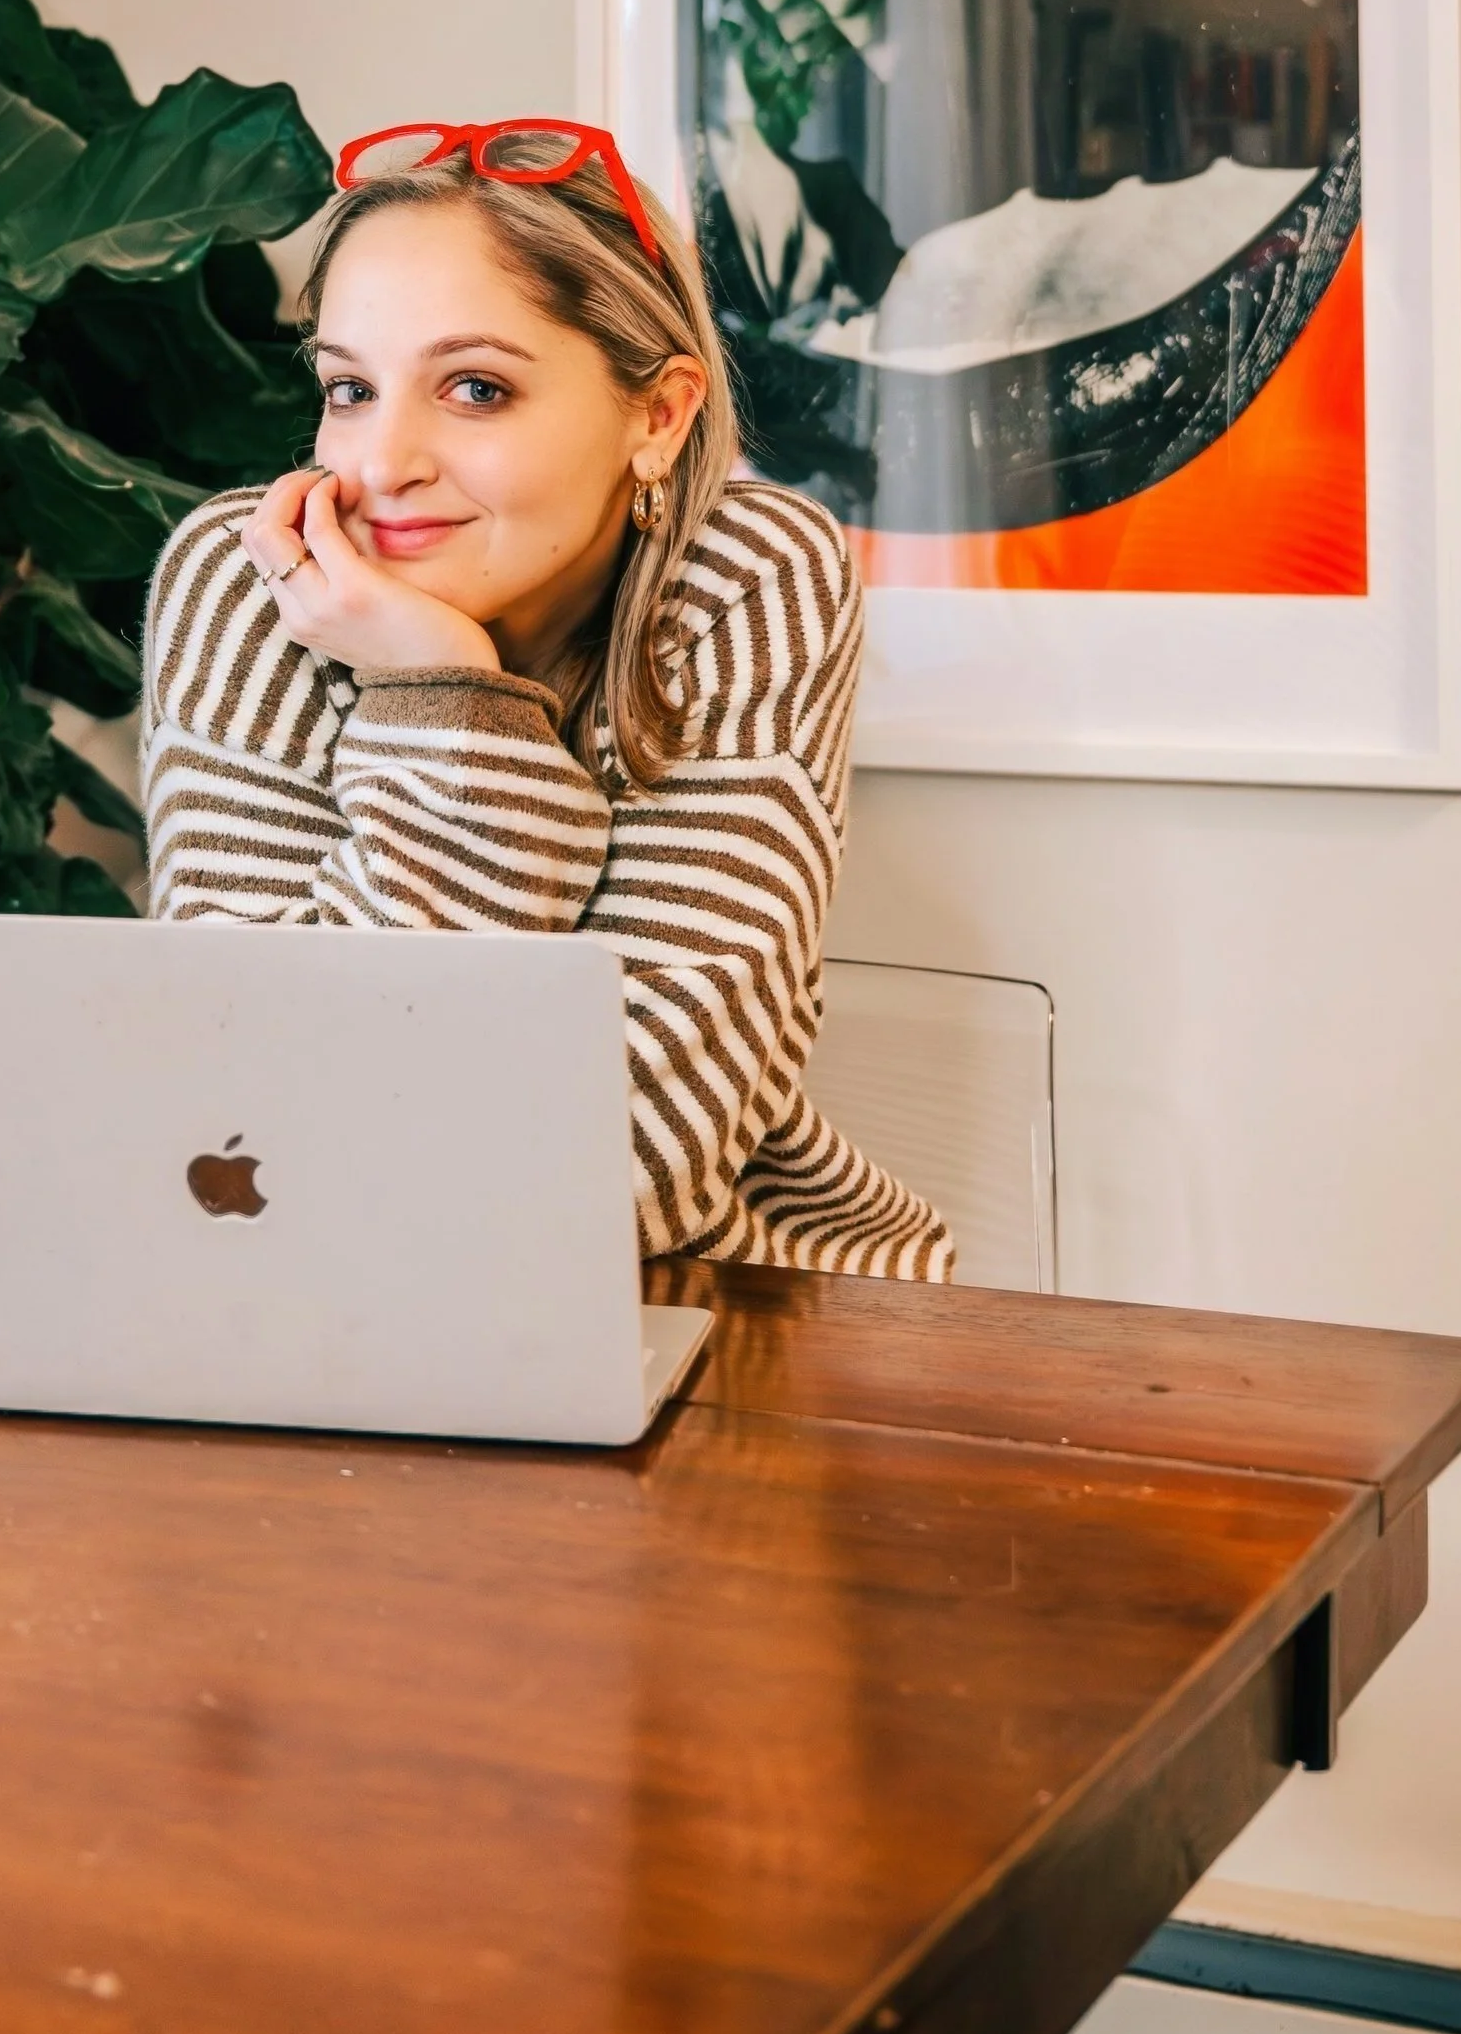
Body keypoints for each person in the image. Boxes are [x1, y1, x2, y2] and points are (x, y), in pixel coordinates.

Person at [141, 120, 954, 1278]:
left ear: (658, 415)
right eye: (348, 388)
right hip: (299, 1298)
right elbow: (247, 1113)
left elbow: (634, 1166)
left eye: (474, 388)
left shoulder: (746, 573)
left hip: (727, 1303)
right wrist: (438, 688)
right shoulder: (254, 573)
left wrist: (443, 696)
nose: (377, 467)